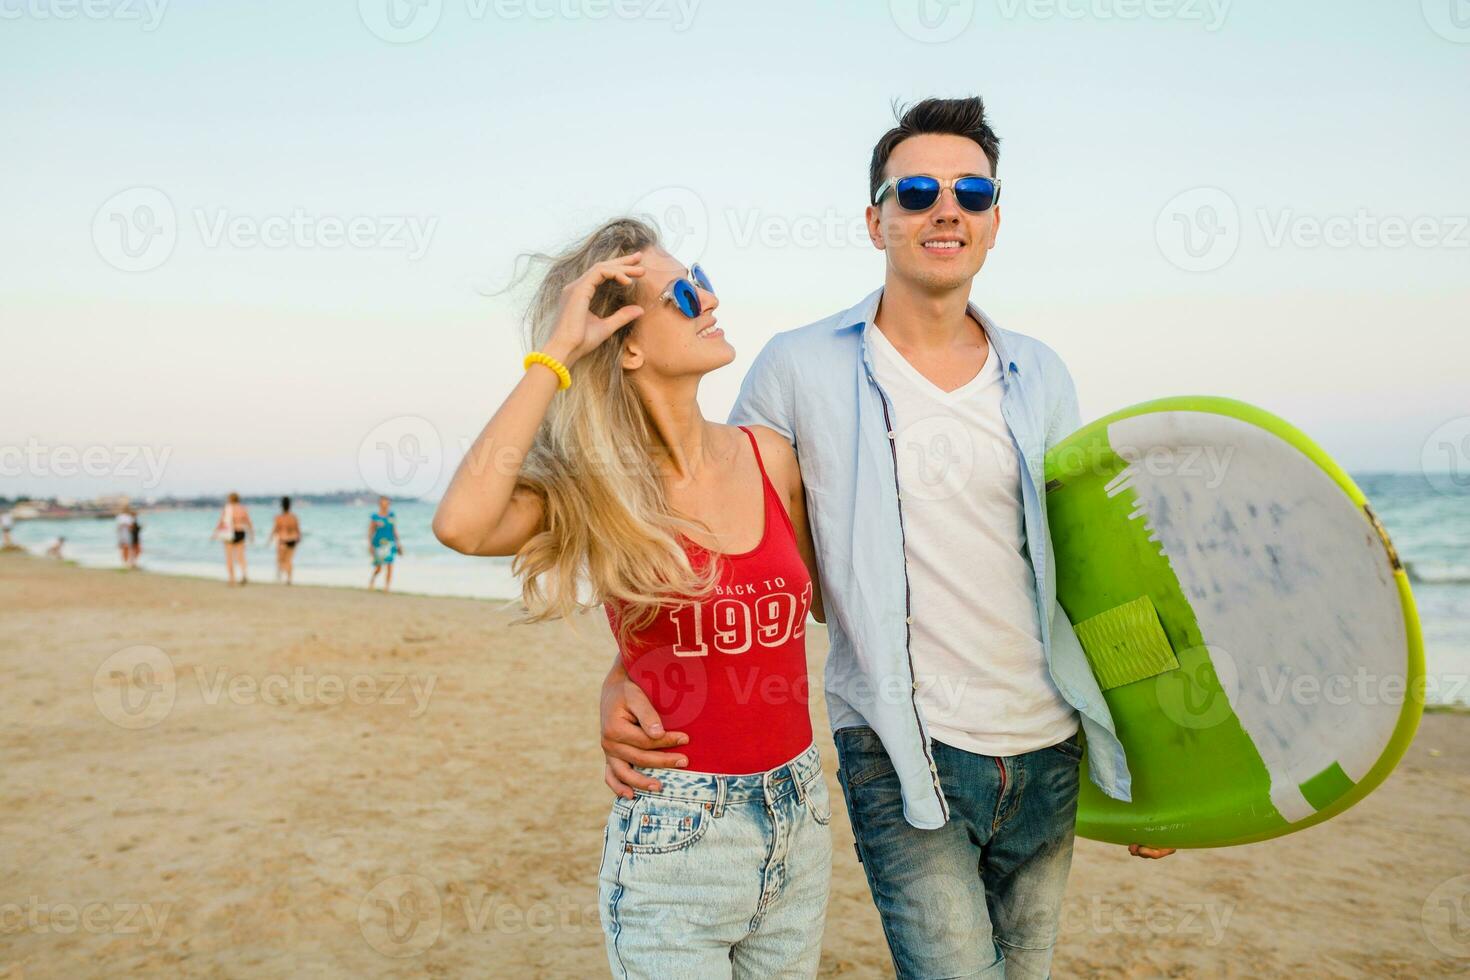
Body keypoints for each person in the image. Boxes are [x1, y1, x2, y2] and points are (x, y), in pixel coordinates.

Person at [600, 97, 1175, 979]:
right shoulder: (795, 368)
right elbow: (726, 550)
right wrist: (622, 673)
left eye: (971, 192)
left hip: (1048, 745)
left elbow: (1090, 575)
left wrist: (1156, 762)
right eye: (915, 191)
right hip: (902, 752)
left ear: (993, 223)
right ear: (876, 220)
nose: (946, 208)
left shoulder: (1042, 375)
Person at [433, 218, 832, 977]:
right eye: (684, 293)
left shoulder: (770, 453)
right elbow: (461, 524)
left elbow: (831, 604)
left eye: (701, 277)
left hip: (800, 814)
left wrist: (621, 670)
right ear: (629, 343)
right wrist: (554, 356)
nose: (710, 297)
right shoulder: (597, 489)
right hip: (677, 834)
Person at [214, 492, 253, 585]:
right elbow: (248, 522)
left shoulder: (227, 508)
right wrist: (252, 535)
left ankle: (232, 579)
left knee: (229, 557)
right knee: (241, 557)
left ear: (230, 499)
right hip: (240, 532)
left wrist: (215, 533)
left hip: (229, 533)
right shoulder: (243, 508)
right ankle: (244, 574)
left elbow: (222, 522)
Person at [367, 496, 403, 592]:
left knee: (390, 565)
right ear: (379, 504)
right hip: (378, 544)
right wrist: (370, 545)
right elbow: (370, 531)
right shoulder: (375, 517)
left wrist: (399, 544)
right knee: (379, 568)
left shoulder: (392, 515)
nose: (385, 505)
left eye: (387, 503)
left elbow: (394, 530)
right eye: (383, 503)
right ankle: (372, 580)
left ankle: (387, 587)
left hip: (390, 543)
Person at [268, 496, 302, 584]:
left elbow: (275, 529)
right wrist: (299, 539)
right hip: (293, 540)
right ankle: (289, 578)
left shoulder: (278, 517)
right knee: (289, 560)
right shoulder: (294, 517)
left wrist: (270, 539)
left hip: (282, 540)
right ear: (290, 506)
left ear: (281, 506)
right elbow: (298, 530)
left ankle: (280, 575)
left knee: (280, 560)